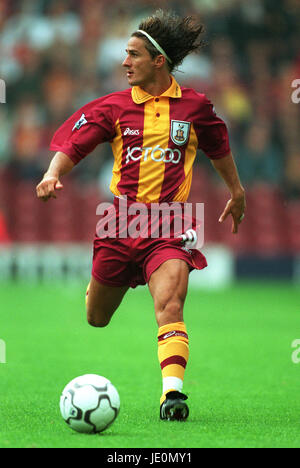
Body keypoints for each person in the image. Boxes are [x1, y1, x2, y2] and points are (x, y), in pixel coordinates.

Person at [36, 10, 245, 421]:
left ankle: (173, 396)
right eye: (125, 54)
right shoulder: (113, 107)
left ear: (158, 61)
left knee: (170, 305)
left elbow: (219, 147)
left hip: (171, 222)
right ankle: (106, 282)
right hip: (120, 223)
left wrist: (236, 190)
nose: (124, 62)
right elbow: (75, 144)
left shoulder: (194, 107)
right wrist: (51, 174)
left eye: (132, 55)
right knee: (96, 318)